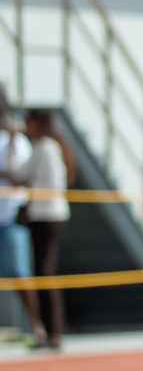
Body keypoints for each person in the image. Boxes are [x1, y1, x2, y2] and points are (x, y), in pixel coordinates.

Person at [18, 111, 73, 350]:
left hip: (45, 215)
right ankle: (53, 331)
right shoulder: (54, 147)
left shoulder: (44, 148)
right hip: (51, 214)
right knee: (44, 271)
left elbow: (23, 174)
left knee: (44, 272)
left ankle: (53, 331)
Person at [0, 111, 42, 346]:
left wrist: (15, 138)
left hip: (12, 216)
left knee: (19, 273)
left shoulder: (16, 143)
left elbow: (22, 174)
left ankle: (37, 326)